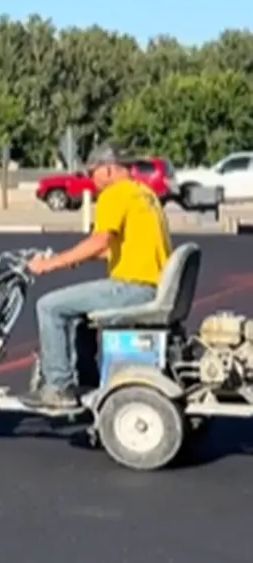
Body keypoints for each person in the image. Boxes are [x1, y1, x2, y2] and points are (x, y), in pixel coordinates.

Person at [26, 144, 171, 410]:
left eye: (92, 173)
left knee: (49, 306)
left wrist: (50, 264)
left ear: (107, 169)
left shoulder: (114, 195)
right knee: (79, 315)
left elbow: (100, 239)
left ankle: (58, 387)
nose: (91, 180)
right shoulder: (144, 194)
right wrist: (71, 258)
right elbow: (110, 249)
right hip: (152, 285)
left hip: (133, 287)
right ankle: (87, 380)